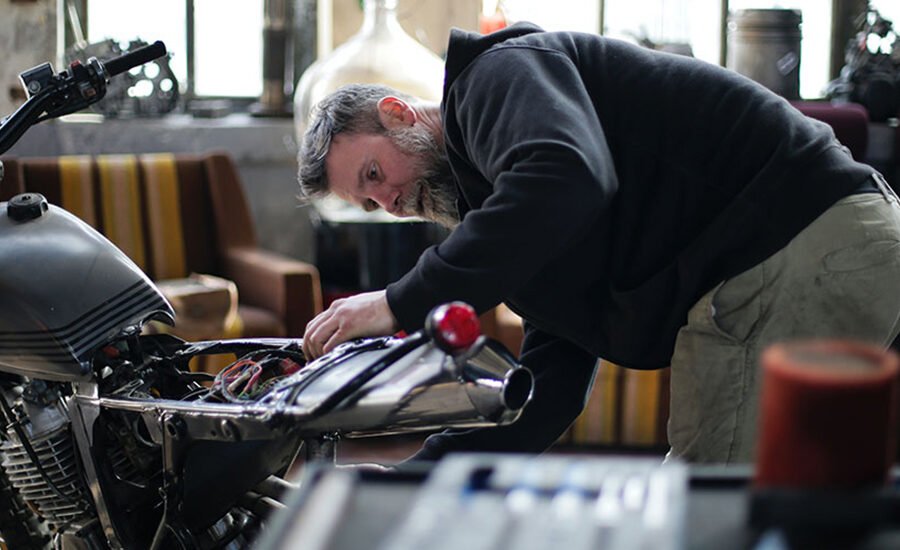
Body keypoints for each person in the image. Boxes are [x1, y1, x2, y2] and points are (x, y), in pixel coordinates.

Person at [298, 22, 900, 464]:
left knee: (702, 515)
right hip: (836, 248)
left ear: (398, 113)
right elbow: (549, 388)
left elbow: (566, 176)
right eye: (369, 202)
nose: (390, 202)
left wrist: (396, 302)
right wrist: (412, 476)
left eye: (374, 174)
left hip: (799, 239)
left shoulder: (493, 77)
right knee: (788, 500)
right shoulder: (516, 213)